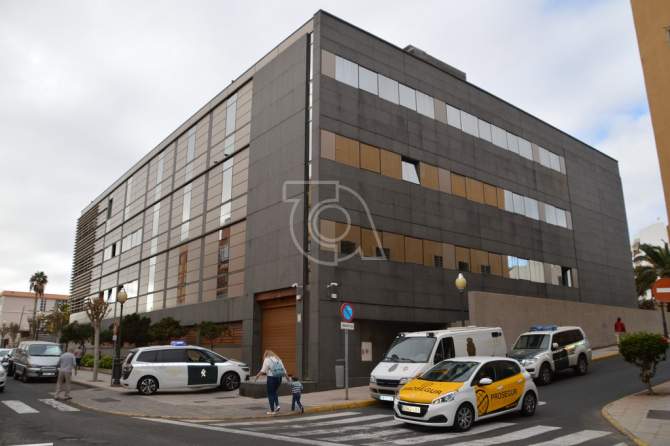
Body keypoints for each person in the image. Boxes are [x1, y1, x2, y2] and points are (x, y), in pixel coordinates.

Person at [254, 350, 286, 415]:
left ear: (265, 355)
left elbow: (263, 370)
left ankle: (272, 411)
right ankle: (277, 405)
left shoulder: (267, 359)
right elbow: (284, 370)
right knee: (274, 392)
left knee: (270, 394)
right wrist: (287, 378)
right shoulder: (278, 359)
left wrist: (257, 376)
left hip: (271, 378)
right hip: (279, 378)